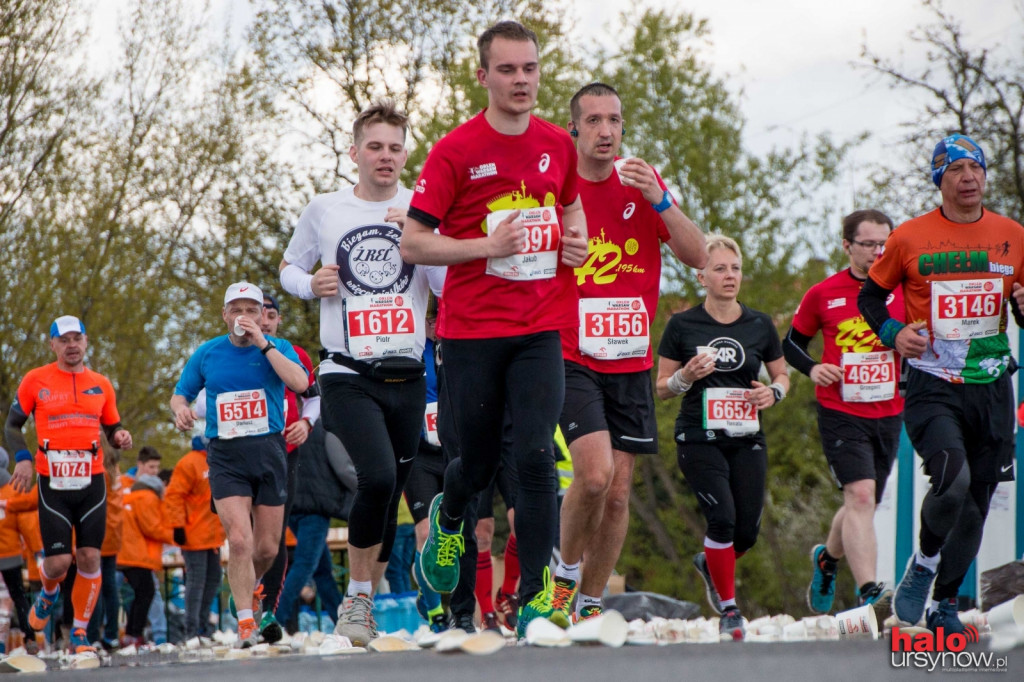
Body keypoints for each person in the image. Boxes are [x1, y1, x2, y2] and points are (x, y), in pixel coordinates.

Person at [399, 20, 589, 638]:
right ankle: (449, 523)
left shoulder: (559, 144)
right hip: (472, 331)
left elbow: (568, 205)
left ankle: (535, 599)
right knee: (474, 466)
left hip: (542, 325)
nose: (520, 81)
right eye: (507, 70)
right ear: (483, 77)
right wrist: (485, 244)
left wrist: (577, 239)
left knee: (536, 456)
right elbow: (413, 242)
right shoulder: (456, 150)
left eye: (529, 69)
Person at [280, 100, 445, 646]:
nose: (385, 156)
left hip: (408, 374)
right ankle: (357, 601)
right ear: (355, 152)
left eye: (395, 147)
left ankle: (368, 595)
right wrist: (311, 285)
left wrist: (420, 243)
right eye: (375, 146)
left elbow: (445, 291)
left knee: (389, 487)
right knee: (375, 476)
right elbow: (289, 267)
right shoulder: (326, 209)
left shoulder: (422, 207)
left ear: (406, 154)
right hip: (346, 372)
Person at [552, 82, 708, 623]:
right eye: (593, 120)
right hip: (571, 354)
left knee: (617, 495)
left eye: (614, 120)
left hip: (631, 360)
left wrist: (660, 199)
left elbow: (699, 256)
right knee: (592, 477)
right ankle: (560, 584)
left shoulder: (641, 183)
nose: (605, 131)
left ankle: (590, 605)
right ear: (574, 128)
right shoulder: (558, 186)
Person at [858, 134, 1023, 633]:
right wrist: (894, 332)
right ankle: (924, 565)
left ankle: (945, 603)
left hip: (992, 385)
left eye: (976, 167)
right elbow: (870, 299)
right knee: (953, 485)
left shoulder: (1014, 235)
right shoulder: (909, 237)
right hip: (934, 384)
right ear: (940, 180)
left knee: (976, 503)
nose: (968, 177)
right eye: (956, 169)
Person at [655, 235, 789, 641]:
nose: (729, 276)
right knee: (723, 519)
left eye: (735, 268)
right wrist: (685, 377)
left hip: (747, 436)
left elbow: (781, 375)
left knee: (745, 532)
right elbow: (661, 387)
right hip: (698, 436)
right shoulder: (682, 325)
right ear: (702, 277)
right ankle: (730, 611)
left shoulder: (760, 323)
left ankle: (710, 562)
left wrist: (774, 392)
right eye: (720, 269)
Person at [170, 282, 309, 648]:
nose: (244, 317)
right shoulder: (208, 353)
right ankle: (246, 623)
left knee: (267, 549)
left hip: (269, 451)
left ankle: (245, 591)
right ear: (225, 315)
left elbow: (300, 382)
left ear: (262, 315)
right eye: (237, 310)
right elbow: (180, 393)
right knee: (240, 540)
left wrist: (264, 343)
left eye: (252, 310)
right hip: (226, 455)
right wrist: (181, 410)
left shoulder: (278, 348)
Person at [783, 209, 904, 617]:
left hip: (889, 410)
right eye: (868, 244)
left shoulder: (905, 288)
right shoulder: (824, 293)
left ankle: (827, 559)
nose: (877, 252)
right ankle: (870, 591)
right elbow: (790, 344)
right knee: (860, 494)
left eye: (884, 243)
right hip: (840, 409)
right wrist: (813, 368)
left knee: (862, 504)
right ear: (847, 246)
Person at [4, 315, 133, 654]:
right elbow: (13, 425)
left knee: (90, 556)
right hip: (54, 482)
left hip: (92, 481)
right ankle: (48, 592)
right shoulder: (36, 380)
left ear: (86, 342)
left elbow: (112, 427)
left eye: (77, 338)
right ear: (53, 345)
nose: (72, 345)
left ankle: (79, 633)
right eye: (64, 339)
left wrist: (119, 436)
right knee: (59, 564)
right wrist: (23, 458)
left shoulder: (101, 384)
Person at [256, 292, 320, 643]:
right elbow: (205, 398)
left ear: (278, 320)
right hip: (240, 456)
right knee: (243, 538)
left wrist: (307, 424)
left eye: (270, 314)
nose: (264, 319)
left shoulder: (296, 354)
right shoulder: (230, 352)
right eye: (257, 313)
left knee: (274, 536)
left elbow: (314, 396)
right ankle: (244, 609)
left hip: (285, 452)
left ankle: (267, 612)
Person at [274, 419, 351, 634]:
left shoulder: (284, 424)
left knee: (322, 570)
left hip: (291, 504)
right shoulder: (324, 426)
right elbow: (342, 465)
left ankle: (341, 623)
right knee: (305, 565)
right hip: (317, 505)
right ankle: (275, 619)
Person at [164, 436, 225, 642]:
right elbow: (174, 496)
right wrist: (178, 526)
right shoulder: (189, 462)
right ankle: (191, 630)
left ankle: (202, 626)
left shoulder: (215, 459)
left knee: (214, 579)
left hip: (212, 536)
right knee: (196, 582)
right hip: (193, 535)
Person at [117, 467, 173, 647]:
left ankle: (131, 634)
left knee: (141, 593)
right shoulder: (147, 498)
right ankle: (134, 635)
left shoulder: (133, 497)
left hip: (124, 551)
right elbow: (151, 527)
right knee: (146, 592)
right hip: (134, 553)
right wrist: (176, 536)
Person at [86, 447, 125, 650]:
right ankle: (111, 634)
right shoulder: (114, 469)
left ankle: (92, 635)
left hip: (97, 530)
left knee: (94, 586)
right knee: (110, 587)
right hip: (113, 533)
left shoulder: (96, 468)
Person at [0, 448, 38, 649]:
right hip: (10, 553)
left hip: (10, 552)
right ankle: (29, 636)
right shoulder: (15, 488)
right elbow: (28, 526)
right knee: (18, 597)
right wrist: (36, 550)